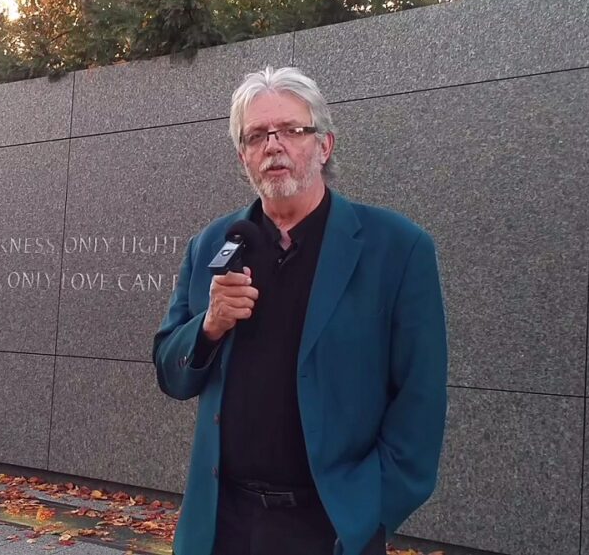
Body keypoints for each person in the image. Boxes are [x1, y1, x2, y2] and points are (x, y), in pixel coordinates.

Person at [153, 65, 448, 555]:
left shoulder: (396, 248)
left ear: (324, 145)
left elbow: (420, 402)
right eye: (256, 136)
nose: (274, 145)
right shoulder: (212, 244)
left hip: (328, 528)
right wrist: (209, 325)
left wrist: (368, 516)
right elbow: (171, 373)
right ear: (243, 156)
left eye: (292, 129)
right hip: (220, 527)